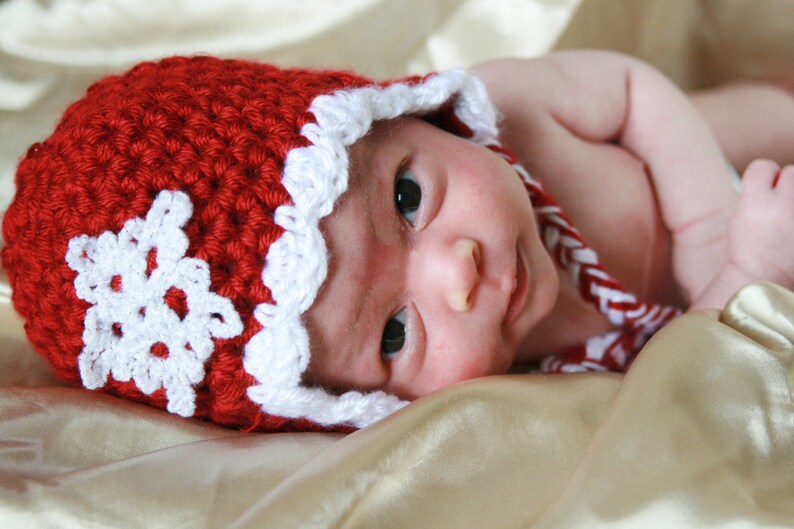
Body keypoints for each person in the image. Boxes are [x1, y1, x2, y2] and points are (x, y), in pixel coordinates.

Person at [1, 51, 792, 433]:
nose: (458, 272)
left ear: (399, 113)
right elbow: (676, 398)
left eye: (407, 198)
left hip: (710, 163)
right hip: (755, 274)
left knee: (762, 118)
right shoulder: (511, 406)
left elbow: (631, 90)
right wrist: (748, 273)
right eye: (394, 331)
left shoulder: (513, 107)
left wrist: (710, 234)